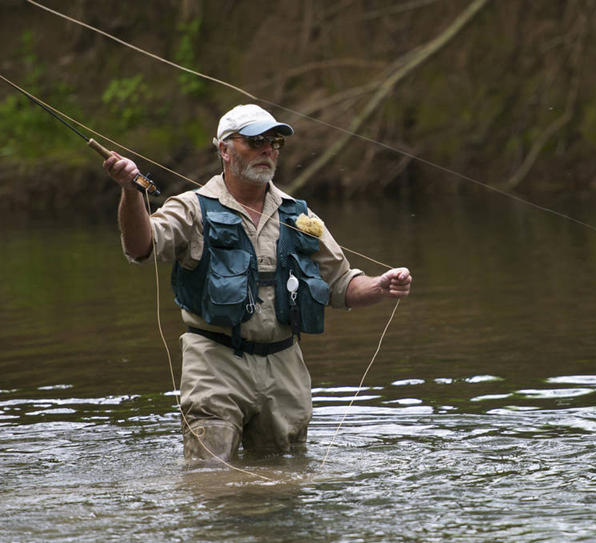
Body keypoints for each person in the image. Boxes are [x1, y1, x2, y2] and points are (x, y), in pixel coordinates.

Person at [104, 104, 412, 463]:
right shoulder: (191, 209)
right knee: (209, 475)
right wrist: (130, 192)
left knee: (284, 478)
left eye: (274, 142)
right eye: (255, 141)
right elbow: (141, 247)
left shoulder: (300, 216)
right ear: (224, 149)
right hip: (215, 361)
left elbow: (342, 285)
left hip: (284, 367)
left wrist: (380, 286)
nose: (268, 150)